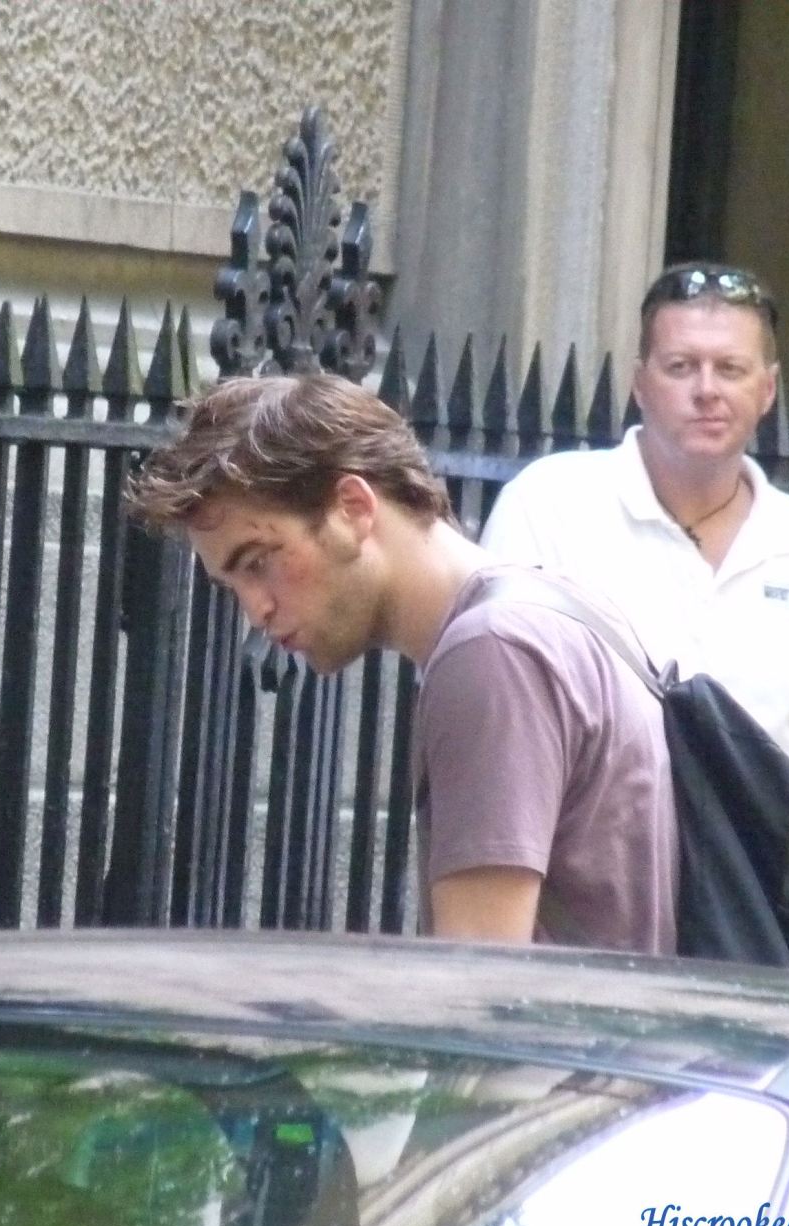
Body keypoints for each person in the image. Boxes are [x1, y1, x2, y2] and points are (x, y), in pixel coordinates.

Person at [125, 372, 678, 952]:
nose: (255, 610)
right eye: (233, 583)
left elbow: (481, 974)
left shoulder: (493, 652)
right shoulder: (553, 610)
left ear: (353, 507)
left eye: (260, 561)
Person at [482, 261, 789, 938]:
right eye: (681, 367)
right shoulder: (547, 508)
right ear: (639, 383)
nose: (706, 390)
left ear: (767, 389)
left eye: (730, 369)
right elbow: (494, 744)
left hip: (773, 947)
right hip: (592, 938)